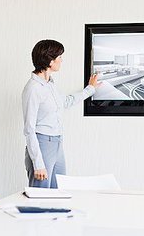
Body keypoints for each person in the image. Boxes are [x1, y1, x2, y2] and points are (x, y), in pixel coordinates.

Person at [22, 40, 101, 188]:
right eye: (59, 57)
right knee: (41, 196)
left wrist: (90, 89)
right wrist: (38, 163)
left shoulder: (50, 85)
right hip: (42, 144)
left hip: (57, 143)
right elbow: (29, 129)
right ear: (50, 61)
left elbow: (66, 102)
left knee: (59, 192)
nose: (61, 60)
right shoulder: (33, 89)